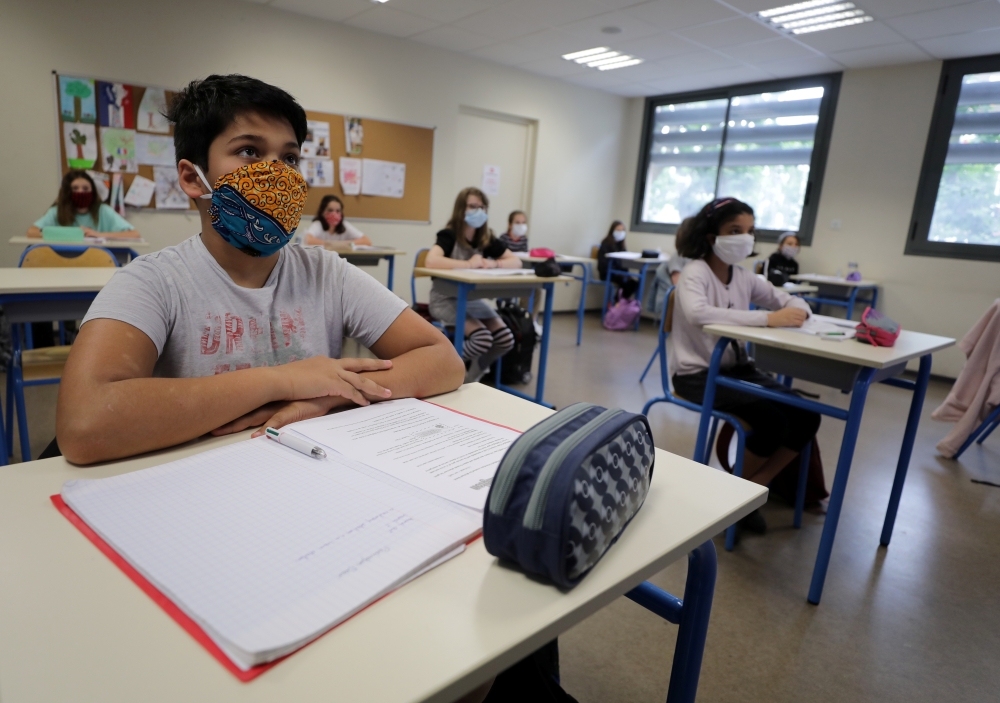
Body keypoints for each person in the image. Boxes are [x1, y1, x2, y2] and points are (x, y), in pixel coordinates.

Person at [54, 74, 464, 466]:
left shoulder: (326, 273)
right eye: (249, 150)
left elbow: (443, 360)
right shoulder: (154, 281)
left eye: (289, 157)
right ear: (192, 178)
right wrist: (283, 381)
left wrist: (328, 397)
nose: (277, 173)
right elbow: (84, 421)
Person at [669, 197, 820, 534]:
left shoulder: (745, 276)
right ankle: (731, 495)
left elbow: (788, 299)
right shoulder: (695, 272)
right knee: (772, 422)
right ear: (711, 236)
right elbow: (698, 313)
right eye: (734, 230)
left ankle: (749, 492)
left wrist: (799, 310)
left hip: (738, 370)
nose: (745, 238)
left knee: (807, 416)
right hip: (697, 375)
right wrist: (768, 318)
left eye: (749, 231)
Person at [424, 187, 521, 383]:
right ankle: (439, 368)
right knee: (482, 339)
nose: (478, 211)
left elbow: (516, 261)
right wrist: (468, 264)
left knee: (505, 340)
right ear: (461, 209)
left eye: (482, 207)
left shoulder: (485, 237)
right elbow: (431, 261)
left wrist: (494, 263)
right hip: (444, 300)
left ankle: (470, 378)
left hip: (470, 301)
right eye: (472, 206)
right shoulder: (449, 235)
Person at [27, 170, 140, 240]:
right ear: (67, 192)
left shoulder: (103, 210)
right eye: (75, 188)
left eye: (85, 188)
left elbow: (134, 234)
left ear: (93, 191)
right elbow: (32, 232)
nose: (81, 192)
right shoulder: (57, 211)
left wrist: (98, 235)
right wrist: (71, 235)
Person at [302, 194, 372, 246]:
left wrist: (344, 244)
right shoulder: (318, 224)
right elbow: (308, 240)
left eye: (338, 211)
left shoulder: (344, 225)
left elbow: (366, 241)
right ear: (322, 212)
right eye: (330, 210)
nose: (334, 214)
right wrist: (333, 244)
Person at [597, 221, 639, 300]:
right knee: (626, 284)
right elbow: (603, 264)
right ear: (612, 231)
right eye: (618, 230)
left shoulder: (621, 245)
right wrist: (619, 273)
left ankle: (618, 304)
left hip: (619, 274)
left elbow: (624, 261)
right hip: (608, 273)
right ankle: (617, 303)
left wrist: (626, 274)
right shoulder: (606, 243)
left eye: (622, 230)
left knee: (634, 284)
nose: (621, 232)